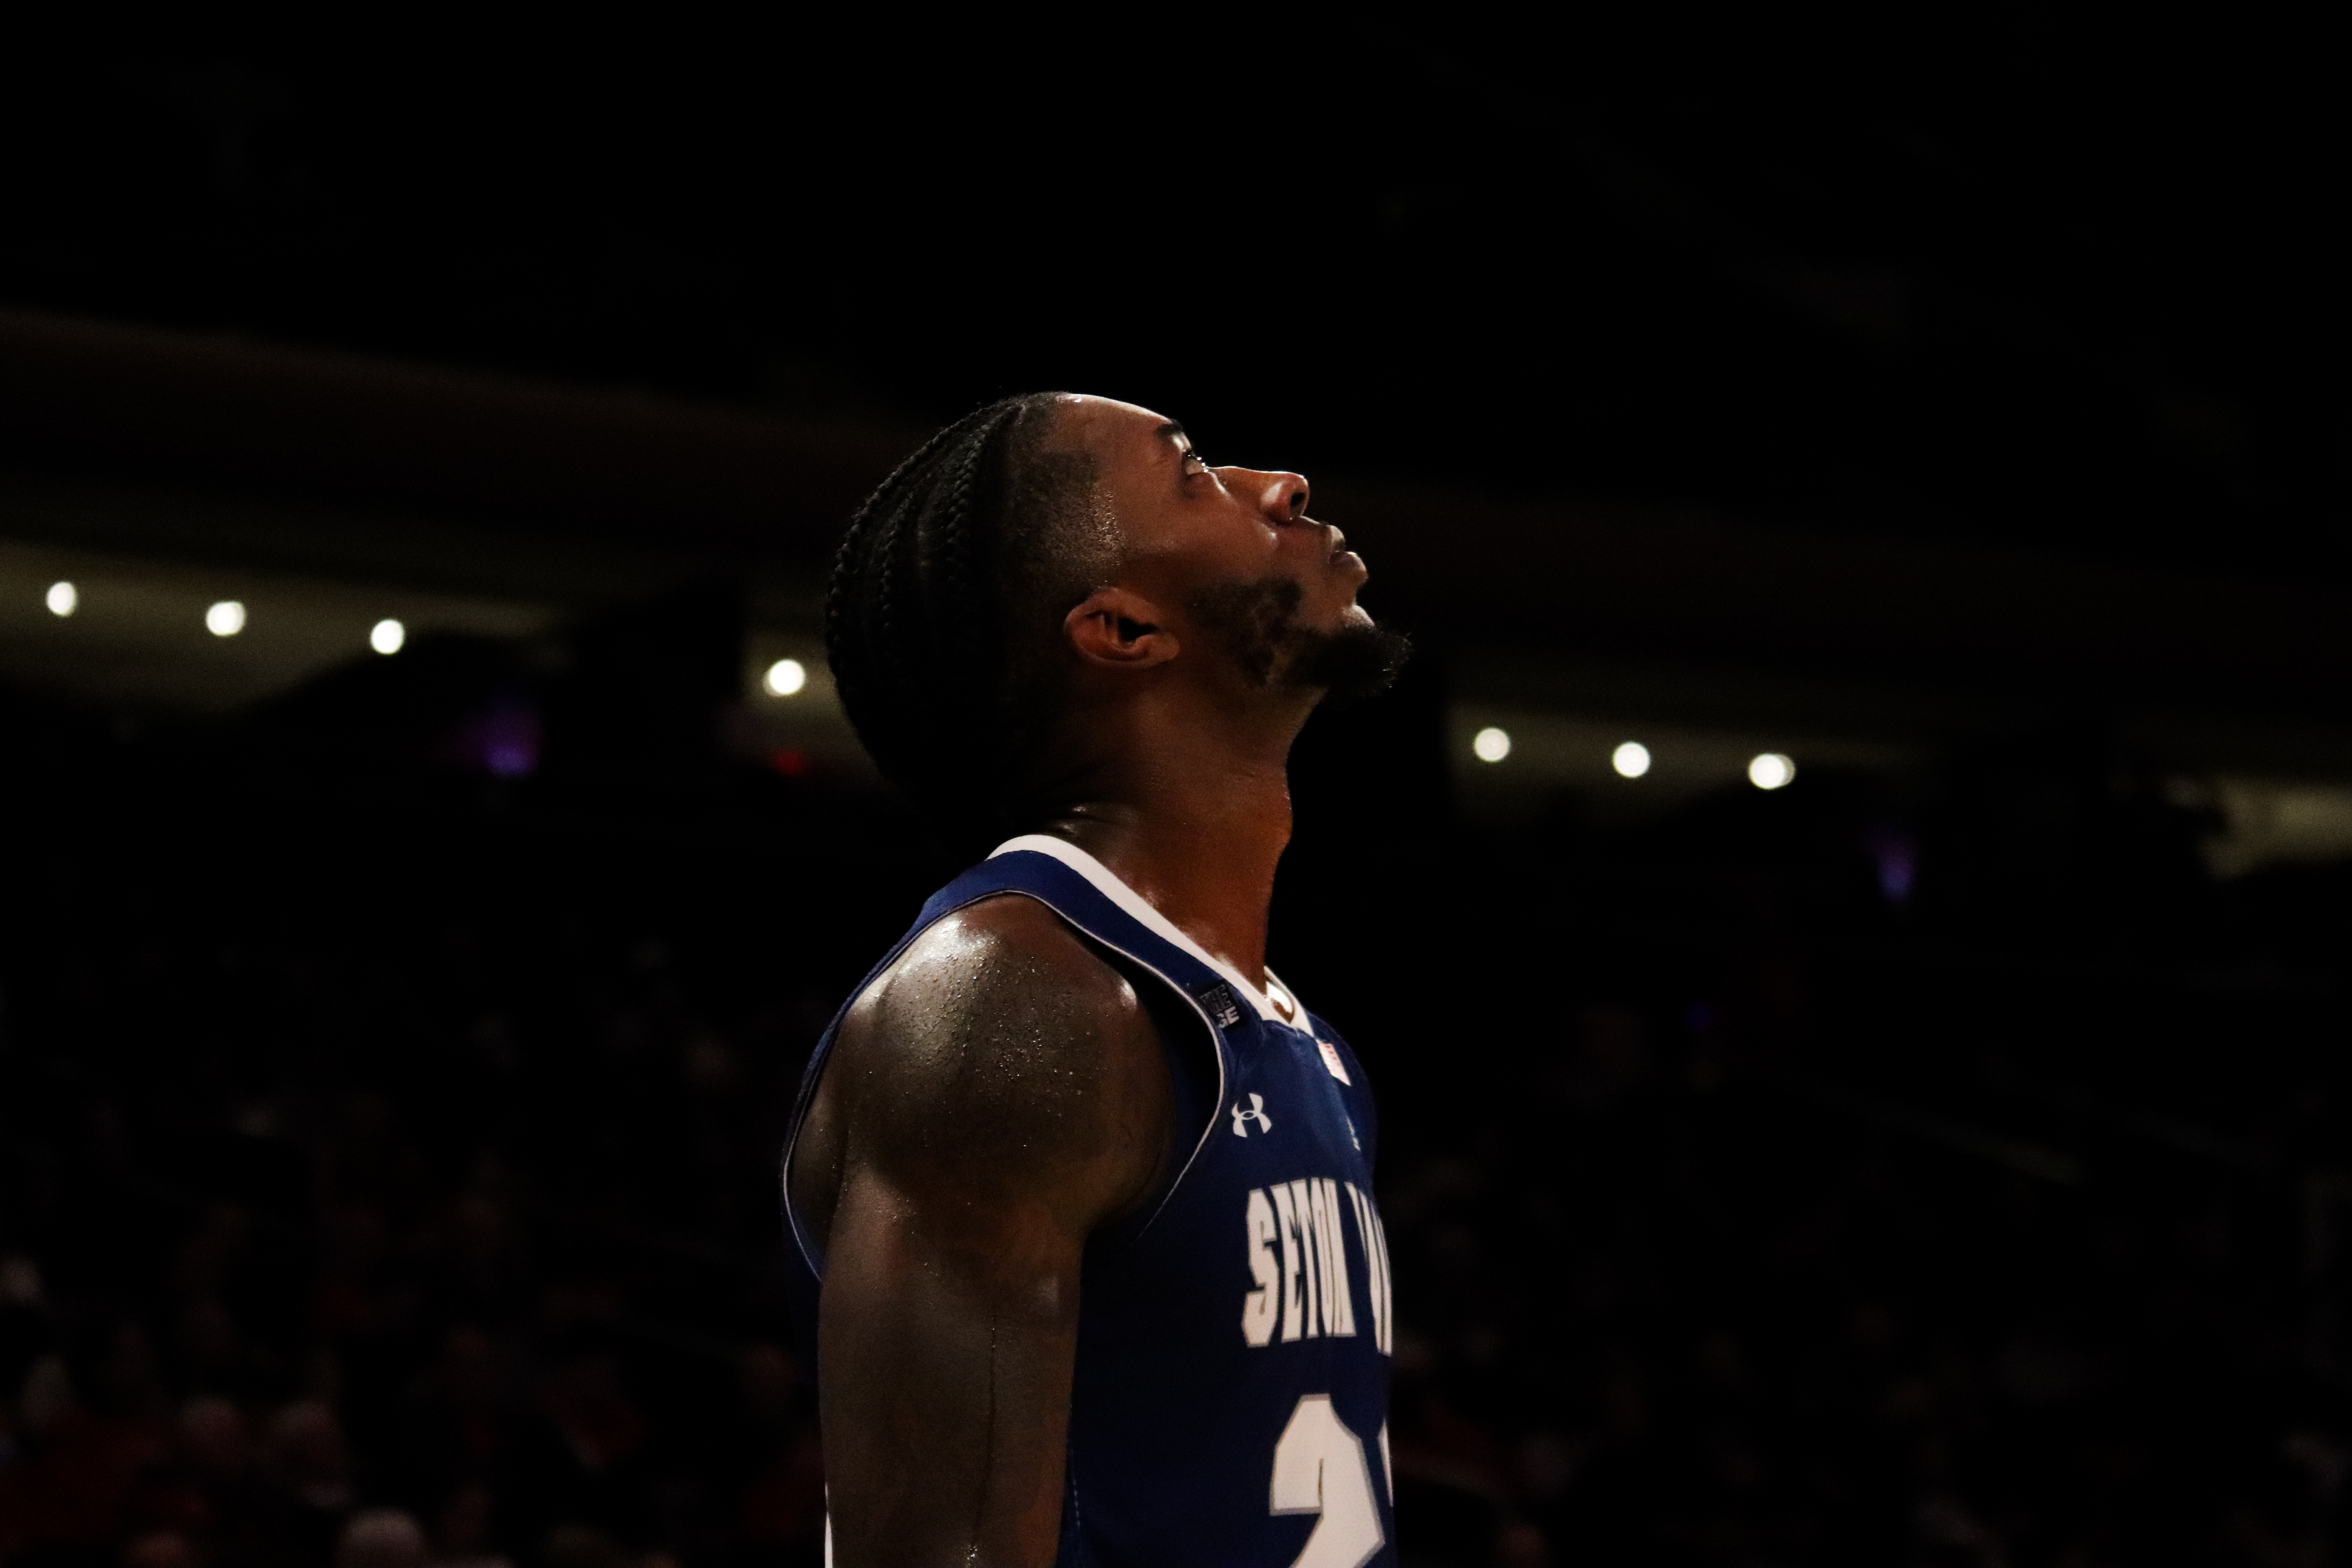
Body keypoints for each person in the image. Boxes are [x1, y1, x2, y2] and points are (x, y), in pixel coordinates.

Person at [783, 394, 1408, 1566]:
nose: (1279, 485)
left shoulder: (1293, 1038)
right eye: (1194, 478)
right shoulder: (1008, 1008)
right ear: (1123, 631)